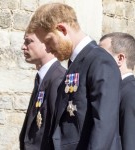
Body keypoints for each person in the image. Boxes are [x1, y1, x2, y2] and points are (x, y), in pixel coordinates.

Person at [26, 3, 122, 150]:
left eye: (49, 41)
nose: (48, 48)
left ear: (62, 29)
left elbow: (104, 127)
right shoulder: (75, 64)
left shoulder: (99, 61)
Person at [19, 25, 66, 150]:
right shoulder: (42, 77)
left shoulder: (58, 79)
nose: (23, 47)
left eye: (29, 41)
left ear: (48, 45)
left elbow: (57, 132)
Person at [99, 32, 135, 150]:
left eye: (102, 56)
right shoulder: (119, 89)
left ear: (120, 58)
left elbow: (129, 142)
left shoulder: (129, 93)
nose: (97, 62)